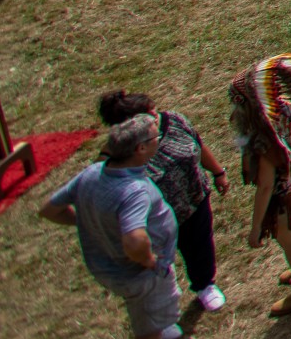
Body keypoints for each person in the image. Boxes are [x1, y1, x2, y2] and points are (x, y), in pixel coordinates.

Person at [40, 112, 202, 339]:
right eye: (155, 138)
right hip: (140, 276)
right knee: (149, 331)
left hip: (111, 269)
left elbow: (50, 209)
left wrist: (90, 222)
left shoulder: (92, 173)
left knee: (148, 325)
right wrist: (149, 261)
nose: (158, 140)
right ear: (140, 149)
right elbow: (134, 239)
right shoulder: (134, 191)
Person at [98, 89, 230, 312]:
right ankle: (162, 303)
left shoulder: (175, 121)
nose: (156, 114)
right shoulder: (120, 152)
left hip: (193, 199)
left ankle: (204, 285)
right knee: (157, 261)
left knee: (199, 245)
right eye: (149, 113)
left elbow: (198, 144)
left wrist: (218, 173)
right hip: (155, 218)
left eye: (153, 109)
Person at [229, 53, 291, 316]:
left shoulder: (264, 139)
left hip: (286, 194)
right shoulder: (287, 107)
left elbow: (265, 186)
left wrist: (256, 227)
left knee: (289, 237)